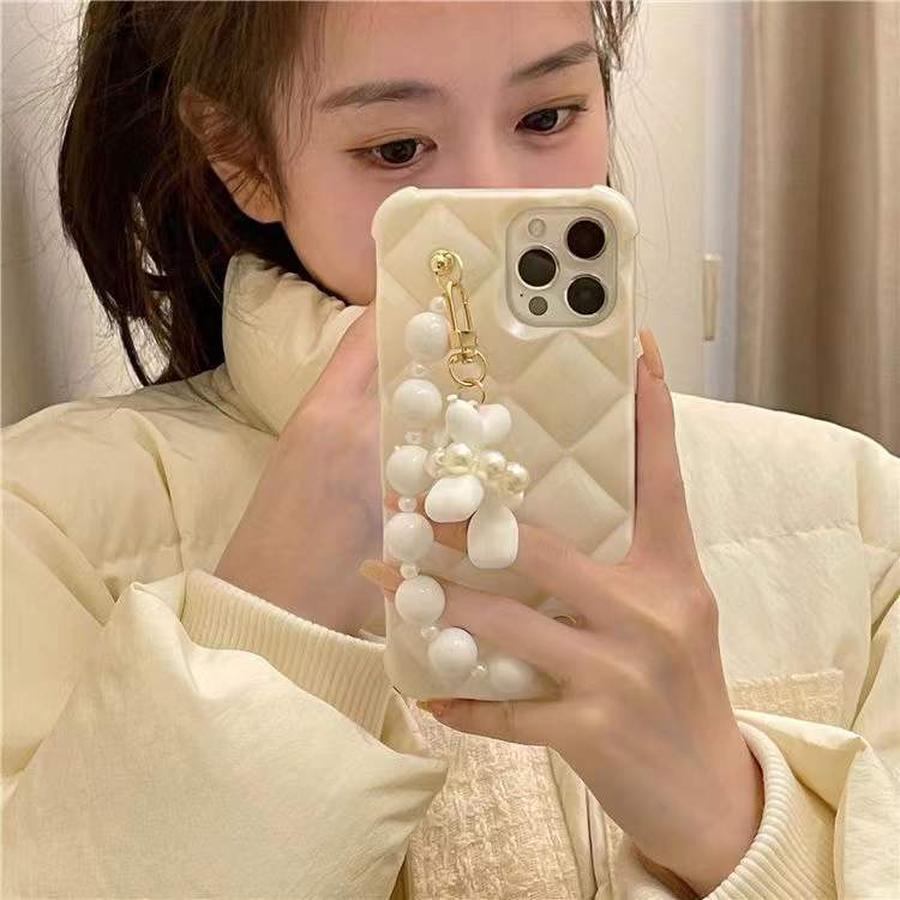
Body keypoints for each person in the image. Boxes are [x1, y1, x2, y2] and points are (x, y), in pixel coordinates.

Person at [3, 3, 897, 898]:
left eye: (546, 117)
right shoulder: (47, 525)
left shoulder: (855, 507)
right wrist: (266, 633)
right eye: (396, 149)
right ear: (242, 157)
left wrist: (733, 822)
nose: (498, 197)